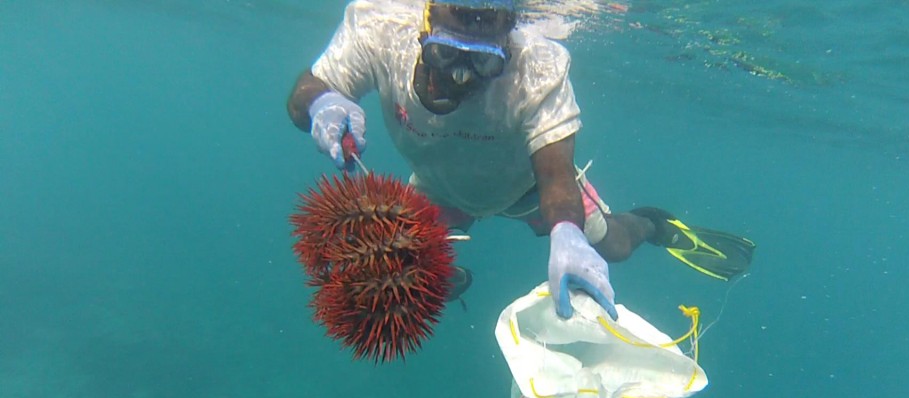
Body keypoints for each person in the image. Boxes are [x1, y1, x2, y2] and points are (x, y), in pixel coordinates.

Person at [286, 0, 753, 320]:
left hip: (528, 191)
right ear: (423, 24)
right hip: (437, 188)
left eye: (482, 64)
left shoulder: (540, 66)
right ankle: (446, 274)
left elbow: (554, 177)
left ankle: (651, 223)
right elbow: (304, 91)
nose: (459, 78)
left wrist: (568, 233)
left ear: (507, 47)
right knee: (375, 274)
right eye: (446, 55)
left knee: (612, 246)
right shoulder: (379, 26)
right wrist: (320, 104)